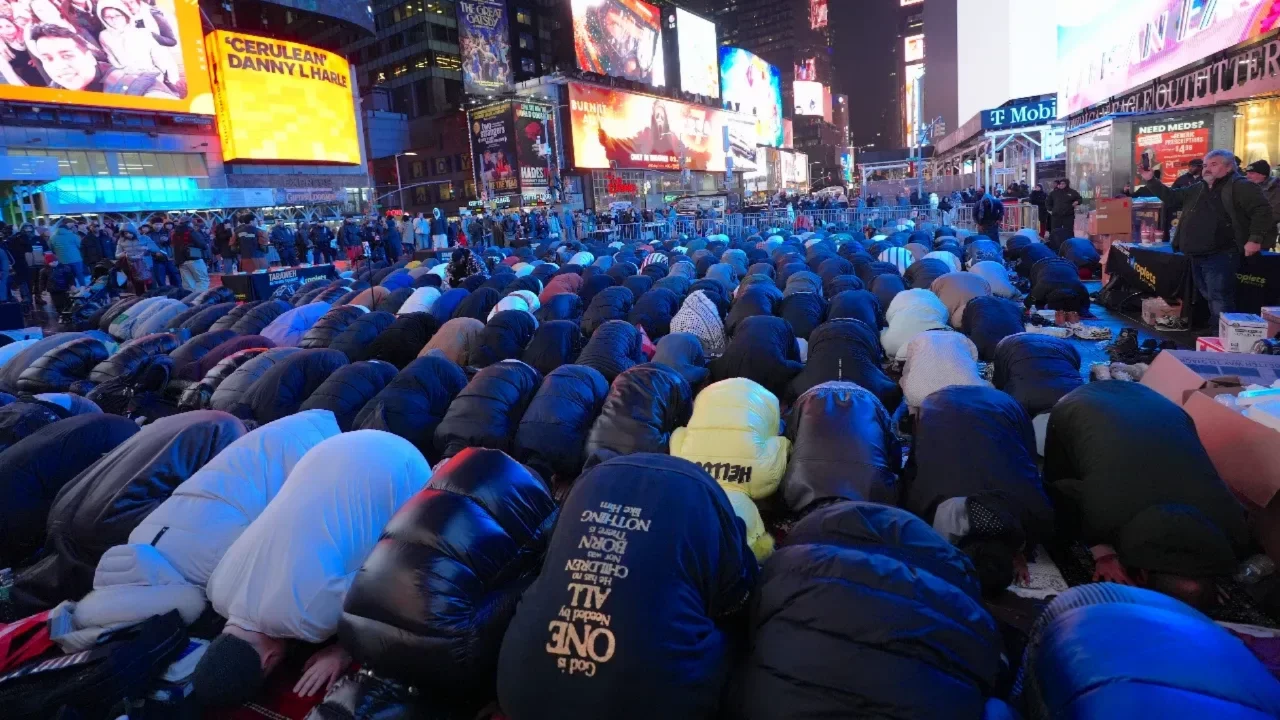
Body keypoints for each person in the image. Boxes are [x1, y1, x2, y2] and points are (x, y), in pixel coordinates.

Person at [190, 431, 431, 709]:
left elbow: (382, 583)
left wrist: (343, 651)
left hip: (403, 463)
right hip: (334, 447)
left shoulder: (307, 622)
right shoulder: (217, 588)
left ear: (268, 662)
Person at [1140, 149, 1275, 328]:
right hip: (1197, 253)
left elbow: (1262, 211)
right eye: (1205, 165)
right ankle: (1217, 335)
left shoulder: (1241, 186)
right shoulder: (1199, 187)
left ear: (1229, 167)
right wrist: (1151, 179)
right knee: (1209, 295)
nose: (1207, 169)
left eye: (1213, 164)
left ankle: (1222, 338)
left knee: (1220, 297)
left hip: (1221, 253)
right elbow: (1172, 198)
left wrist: (1255, 239)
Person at [28, 23, 177, 97]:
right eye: (48, 59)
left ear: (90, 57)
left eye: (67, 55)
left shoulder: (134, 86)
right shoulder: (53, 93)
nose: (59, 66)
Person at [95, 0, 178, 86]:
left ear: (125, 14)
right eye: (108, 17)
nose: (113, 20)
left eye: (117, 15)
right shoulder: (104, 36)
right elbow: (112, 59)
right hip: (127, 79)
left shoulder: (144, 33)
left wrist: (162, 77)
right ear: (102, 18)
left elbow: (161, 60)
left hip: (152, 76)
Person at [171, 215, 210, 291]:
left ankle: (190, 300)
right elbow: (202, 245)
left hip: (181, 260)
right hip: (194, 258)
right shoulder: (191, 231)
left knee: (188, 283)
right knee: (202, 280)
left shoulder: (174, 233)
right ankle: (199, 299)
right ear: (189, 223)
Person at [1246, 159, 1280, 236]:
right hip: (1247, 232)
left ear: (1263, 175)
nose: (1247, 176)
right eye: (1247, 173)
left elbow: (1273, 215)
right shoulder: (1249, 186)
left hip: (1263, 234)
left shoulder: (1276, 190)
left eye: (1251, 173)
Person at [48, 220, 84, 286]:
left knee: (68, 276)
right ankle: (84, 289)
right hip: (76, 259)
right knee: (79, 275)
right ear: (67, 229)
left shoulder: (53, 238)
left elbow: (51, 248)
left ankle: (72, 290)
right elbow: (80, 246)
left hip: (62, 261)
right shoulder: (73, 235)